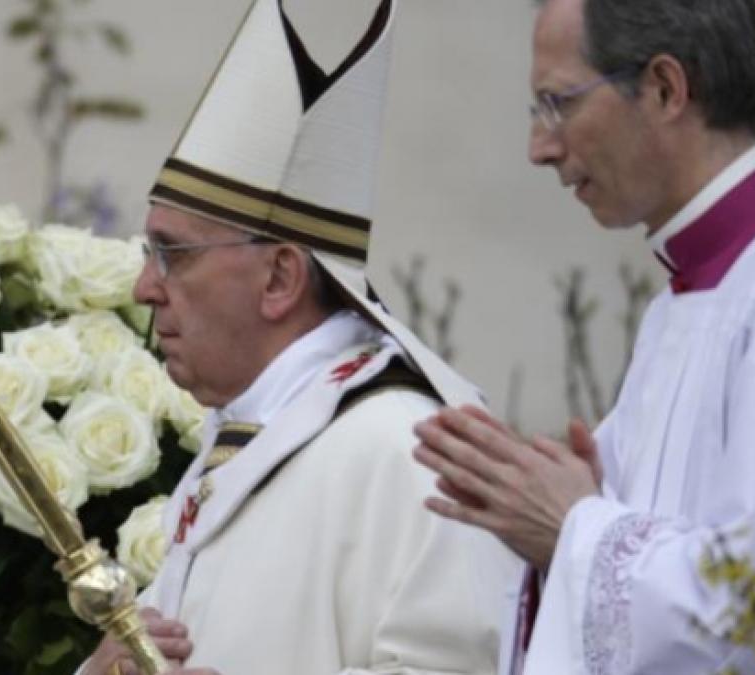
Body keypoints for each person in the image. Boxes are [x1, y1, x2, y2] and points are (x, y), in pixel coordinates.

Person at [79, 1, 516, 674]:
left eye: (174, 253)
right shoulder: (244, 434)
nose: (144, 286)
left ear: (281, 276)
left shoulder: (411, 448)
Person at [411, 0, 755, 672]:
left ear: (666, 88)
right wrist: (557, 508)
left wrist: (571, 525)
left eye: (558, 103)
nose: (540, 147)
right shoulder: (682, 300)